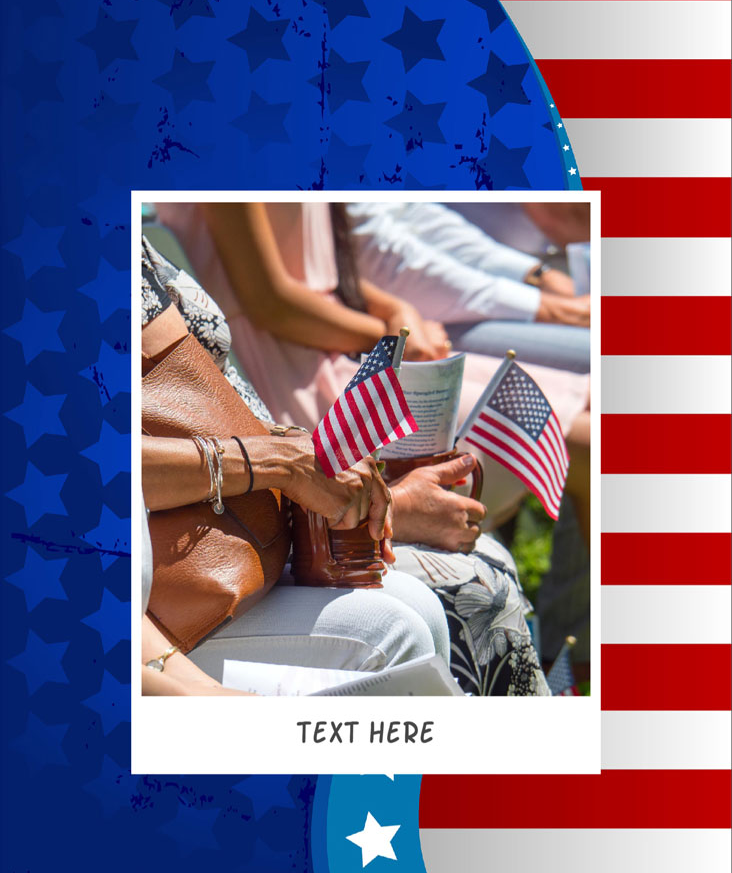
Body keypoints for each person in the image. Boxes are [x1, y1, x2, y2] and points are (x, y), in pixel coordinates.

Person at [141, 234, 550, 696]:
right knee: (432, 608)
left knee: (453, 586)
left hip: (256, 527)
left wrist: (326, 472)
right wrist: (288, 465)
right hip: (180, 580)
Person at [156, 200, 590, 544]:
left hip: (336, 343)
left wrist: (396, 309)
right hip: (296, 374)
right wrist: (387, 335)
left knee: (589, 408)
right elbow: (273, 304)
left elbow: (324, 269)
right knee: (589, 444)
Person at [347, 200, 591, 373]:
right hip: (401, 321)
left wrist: (536, 276)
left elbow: (413, 214)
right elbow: (380, 258)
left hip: (438, 300)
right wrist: (553, 308)